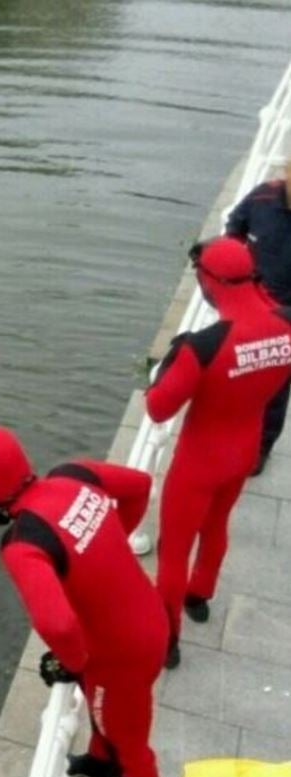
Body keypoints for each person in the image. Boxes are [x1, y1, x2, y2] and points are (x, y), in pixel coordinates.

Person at [0, 426, 166, 777]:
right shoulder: (73, 474)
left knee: (132, 747)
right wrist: (104, 545)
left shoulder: (23, 542)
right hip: (148, 613)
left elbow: (57, 624)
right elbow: (140, 485)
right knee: (105, 713)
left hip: (120, 657)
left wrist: (73, 662)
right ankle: (101, 764)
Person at [146, 237, 291, 668]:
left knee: (173, 548)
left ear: (209, 281)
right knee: (217, 526)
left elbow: (158, 408)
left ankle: (168, 638)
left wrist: (168, 364)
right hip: (244, 450)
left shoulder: (202, 345)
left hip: (198, 462)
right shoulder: (286, 325)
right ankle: (200, 594)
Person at [224, 158, 291, 474]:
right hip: (248, 306)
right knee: (235, 370)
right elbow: (235, 227)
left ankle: (261, 447)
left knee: (276, 386)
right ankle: (231, 430)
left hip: (286, 319)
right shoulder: (262, 198)